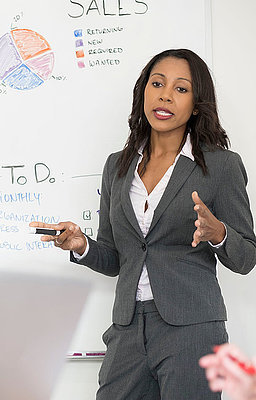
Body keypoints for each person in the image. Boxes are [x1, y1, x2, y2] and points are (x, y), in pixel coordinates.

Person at [30, 48, 256, 399]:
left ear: (197, 104)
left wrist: (219, 234)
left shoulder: (221, 166)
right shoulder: (117, 166)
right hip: (128, 327)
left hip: (192, 329)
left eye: (181, 89)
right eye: (157, 83)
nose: (165, 94)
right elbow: (117, 257)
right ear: (144, 92)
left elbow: (246, 257)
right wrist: (82, 246)